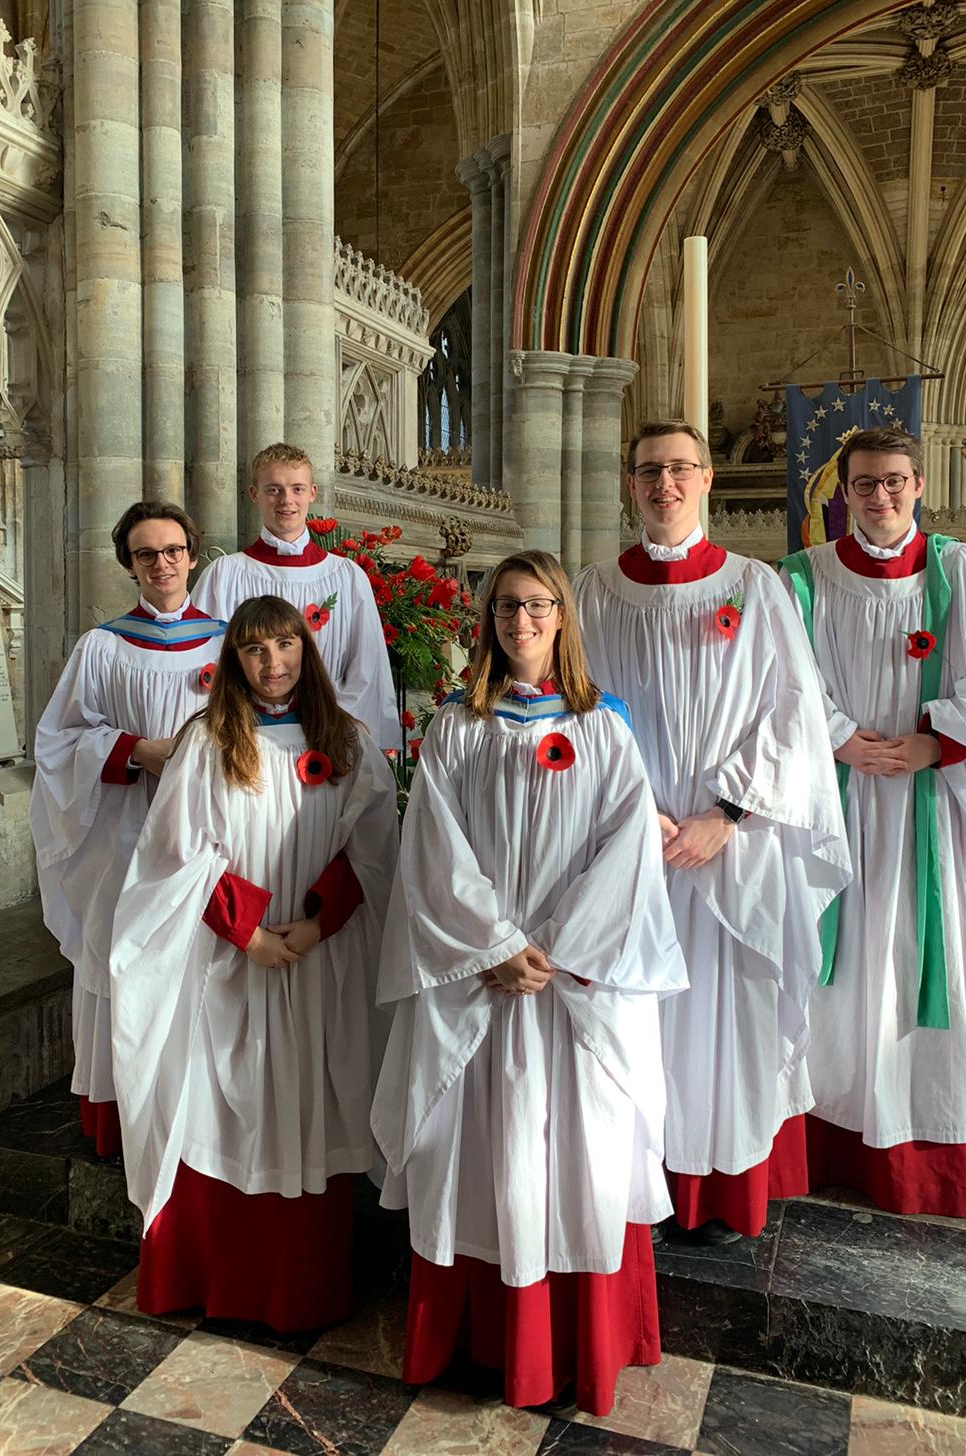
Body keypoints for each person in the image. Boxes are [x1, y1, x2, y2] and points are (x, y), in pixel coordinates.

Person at [372, 550, 688, 1416]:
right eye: (507, 607)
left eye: (539, 605)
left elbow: (627, 852)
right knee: (478, 1148)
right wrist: (496, 946)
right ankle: (478, 1335)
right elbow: (433, 850)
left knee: (580, 1149)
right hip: (482, 980)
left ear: (562, 615)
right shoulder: (456, 727)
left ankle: (581, 1343)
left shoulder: (604, 725)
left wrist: (559, 951)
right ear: (489, 619)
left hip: (576, 986)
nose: (522, 622)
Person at [575, 421, 851, 1242]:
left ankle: (717, 1187)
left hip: (729, 846)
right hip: (629, 843)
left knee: (724, 1013)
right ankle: (637, 1182)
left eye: (680, 470)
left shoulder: (753, 586)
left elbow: (793, 714)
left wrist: (724, 814)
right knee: (635, 1014)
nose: (665, 483)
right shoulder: (592, 592)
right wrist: (636, 813)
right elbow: (580, 709)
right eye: (650, 471)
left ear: (705, 483)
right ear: (631, 485)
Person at [779, 425, 966, 1217]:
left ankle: (922, 1149)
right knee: (840, 975)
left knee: (921, 965)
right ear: (842, 491)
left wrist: (931, 743)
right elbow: (781, 681)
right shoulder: (802, 579)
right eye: (865, 483)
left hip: (933, 806)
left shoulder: (960, 572)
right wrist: (838, 736)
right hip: (832, 802)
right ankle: (831, 1135)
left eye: (895, 481)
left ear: (918, 482)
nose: (881, 497)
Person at [109, 596, 398, 1327]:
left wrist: (315, 923)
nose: (274, 663)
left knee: (307, 1104)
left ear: (308, 649)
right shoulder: (208, 740)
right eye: (255, 650)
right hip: (230, 964)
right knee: (222, 1105)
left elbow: (375, 844)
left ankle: (299, 1290)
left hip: (314, 961)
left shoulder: (349, 741)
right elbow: (175, 854)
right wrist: (249, 934)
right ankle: (218, 1284)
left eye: (286, 646)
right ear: (233, 663)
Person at [30, 501, 225, 1158]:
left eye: (173, 550)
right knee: (128, 965)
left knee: (205, 964)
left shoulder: (232, 642)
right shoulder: (104, 646)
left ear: (192, 555)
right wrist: (134, 751)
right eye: (147, 554)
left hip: (212, 836)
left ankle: (199, 1116)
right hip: (127, 835)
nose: (162, 564)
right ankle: (126, 1122)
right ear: (130, 565)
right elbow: (58, 743)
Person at [191, 441, 400, 747]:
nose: (286, 500)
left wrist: (344, 734)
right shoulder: (225, 576)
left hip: (328, 736)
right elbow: (206, 665)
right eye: (273, 489)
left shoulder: (346, 577)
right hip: (248, 738)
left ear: (313, 493)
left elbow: (367, 672)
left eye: (297, 489)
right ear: (254, 494)